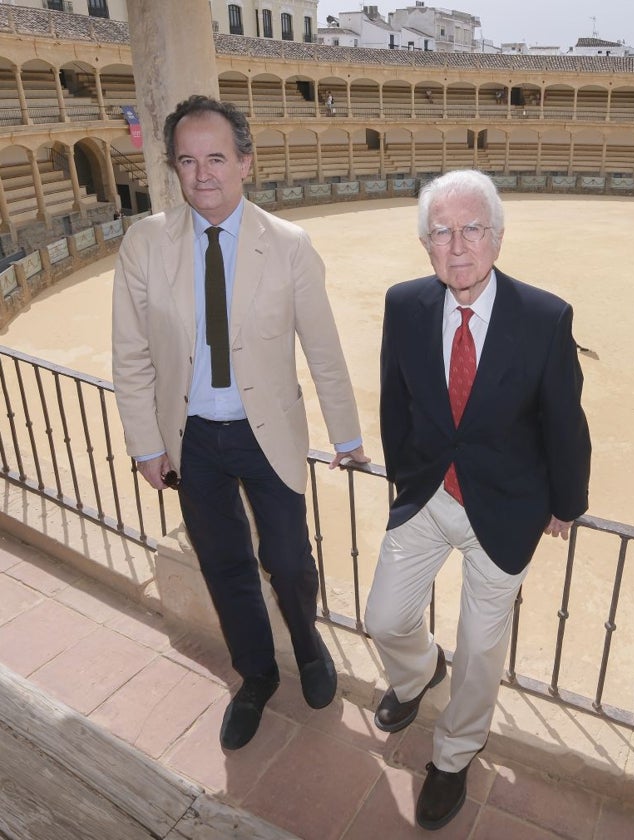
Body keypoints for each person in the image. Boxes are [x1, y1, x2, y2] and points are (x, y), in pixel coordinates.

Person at [111, 95, 369, 751]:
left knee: (288, 560)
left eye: (217, 158)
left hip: (267, 433)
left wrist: (346, 435)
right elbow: (131, 352)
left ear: (245, 163)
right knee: (224, 565)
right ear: (174, 168)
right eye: (188, 161)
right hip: (192, 439)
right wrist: (145, 443)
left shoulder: (288, 245)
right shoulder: (145, 243)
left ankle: (309, 648)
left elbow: (323, 345)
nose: (203, 174)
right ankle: (254, 674)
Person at [365, 169, 591, 831]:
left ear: (495, 238)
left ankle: (455, 754)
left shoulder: (544, 317)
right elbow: (394, 400)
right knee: (384, 616)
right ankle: (415, 674)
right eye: (442, 232)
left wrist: (566, 502)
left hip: (508, 506)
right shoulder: (404, 304)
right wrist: (408, 479)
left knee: (482, 647)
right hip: (430, 494)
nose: (458, 245)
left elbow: (564, 420)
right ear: (425, 243)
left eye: (472, 229)